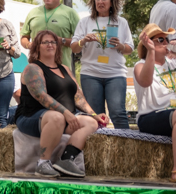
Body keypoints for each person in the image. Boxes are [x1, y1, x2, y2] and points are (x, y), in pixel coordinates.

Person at [15, 30, 108, 178]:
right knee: (57, 117)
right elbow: (41, 96)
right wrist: (66, 113)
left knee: (90, 123)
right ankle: (43, 163)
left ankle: (66, 159)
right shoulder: (32, 68)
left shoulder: (64, 68)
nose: (50, 45)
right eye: (45, 42)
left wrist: (95, 115)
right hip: (32, 117)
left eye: (53, 42)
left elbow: (78, 96)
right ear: (37, 47)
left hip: (64, 117)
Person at [134, 23, 176, 184]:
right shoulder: (140, 65)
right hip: (152, 115)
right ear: (148, 43)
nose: (165, 43)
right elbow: (145, 81)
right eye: (160, 39)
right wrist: (150, 52)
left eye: (167, 39)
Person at [70, 0, 134, 129]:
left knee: (118, 113)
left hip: (115, 73)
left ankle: (123, 147)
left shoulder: (121, 22)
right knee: (95, 116)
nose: (100, 2)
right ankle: (96, 150)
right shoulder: (85, 22)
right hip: (91, 74)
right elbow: (74, 48)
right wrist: (83, 40)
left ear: (112, 2)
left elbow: (130, 49)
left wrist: (121, 46)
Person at [20, 0, 79, 68]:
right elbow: (24, 37)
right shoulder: (33, 12)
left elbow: (80, 42)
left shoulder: (70, 13)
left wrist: (62, 41)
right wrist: (30, 45)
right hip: (36, 66)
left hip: (61, 67)